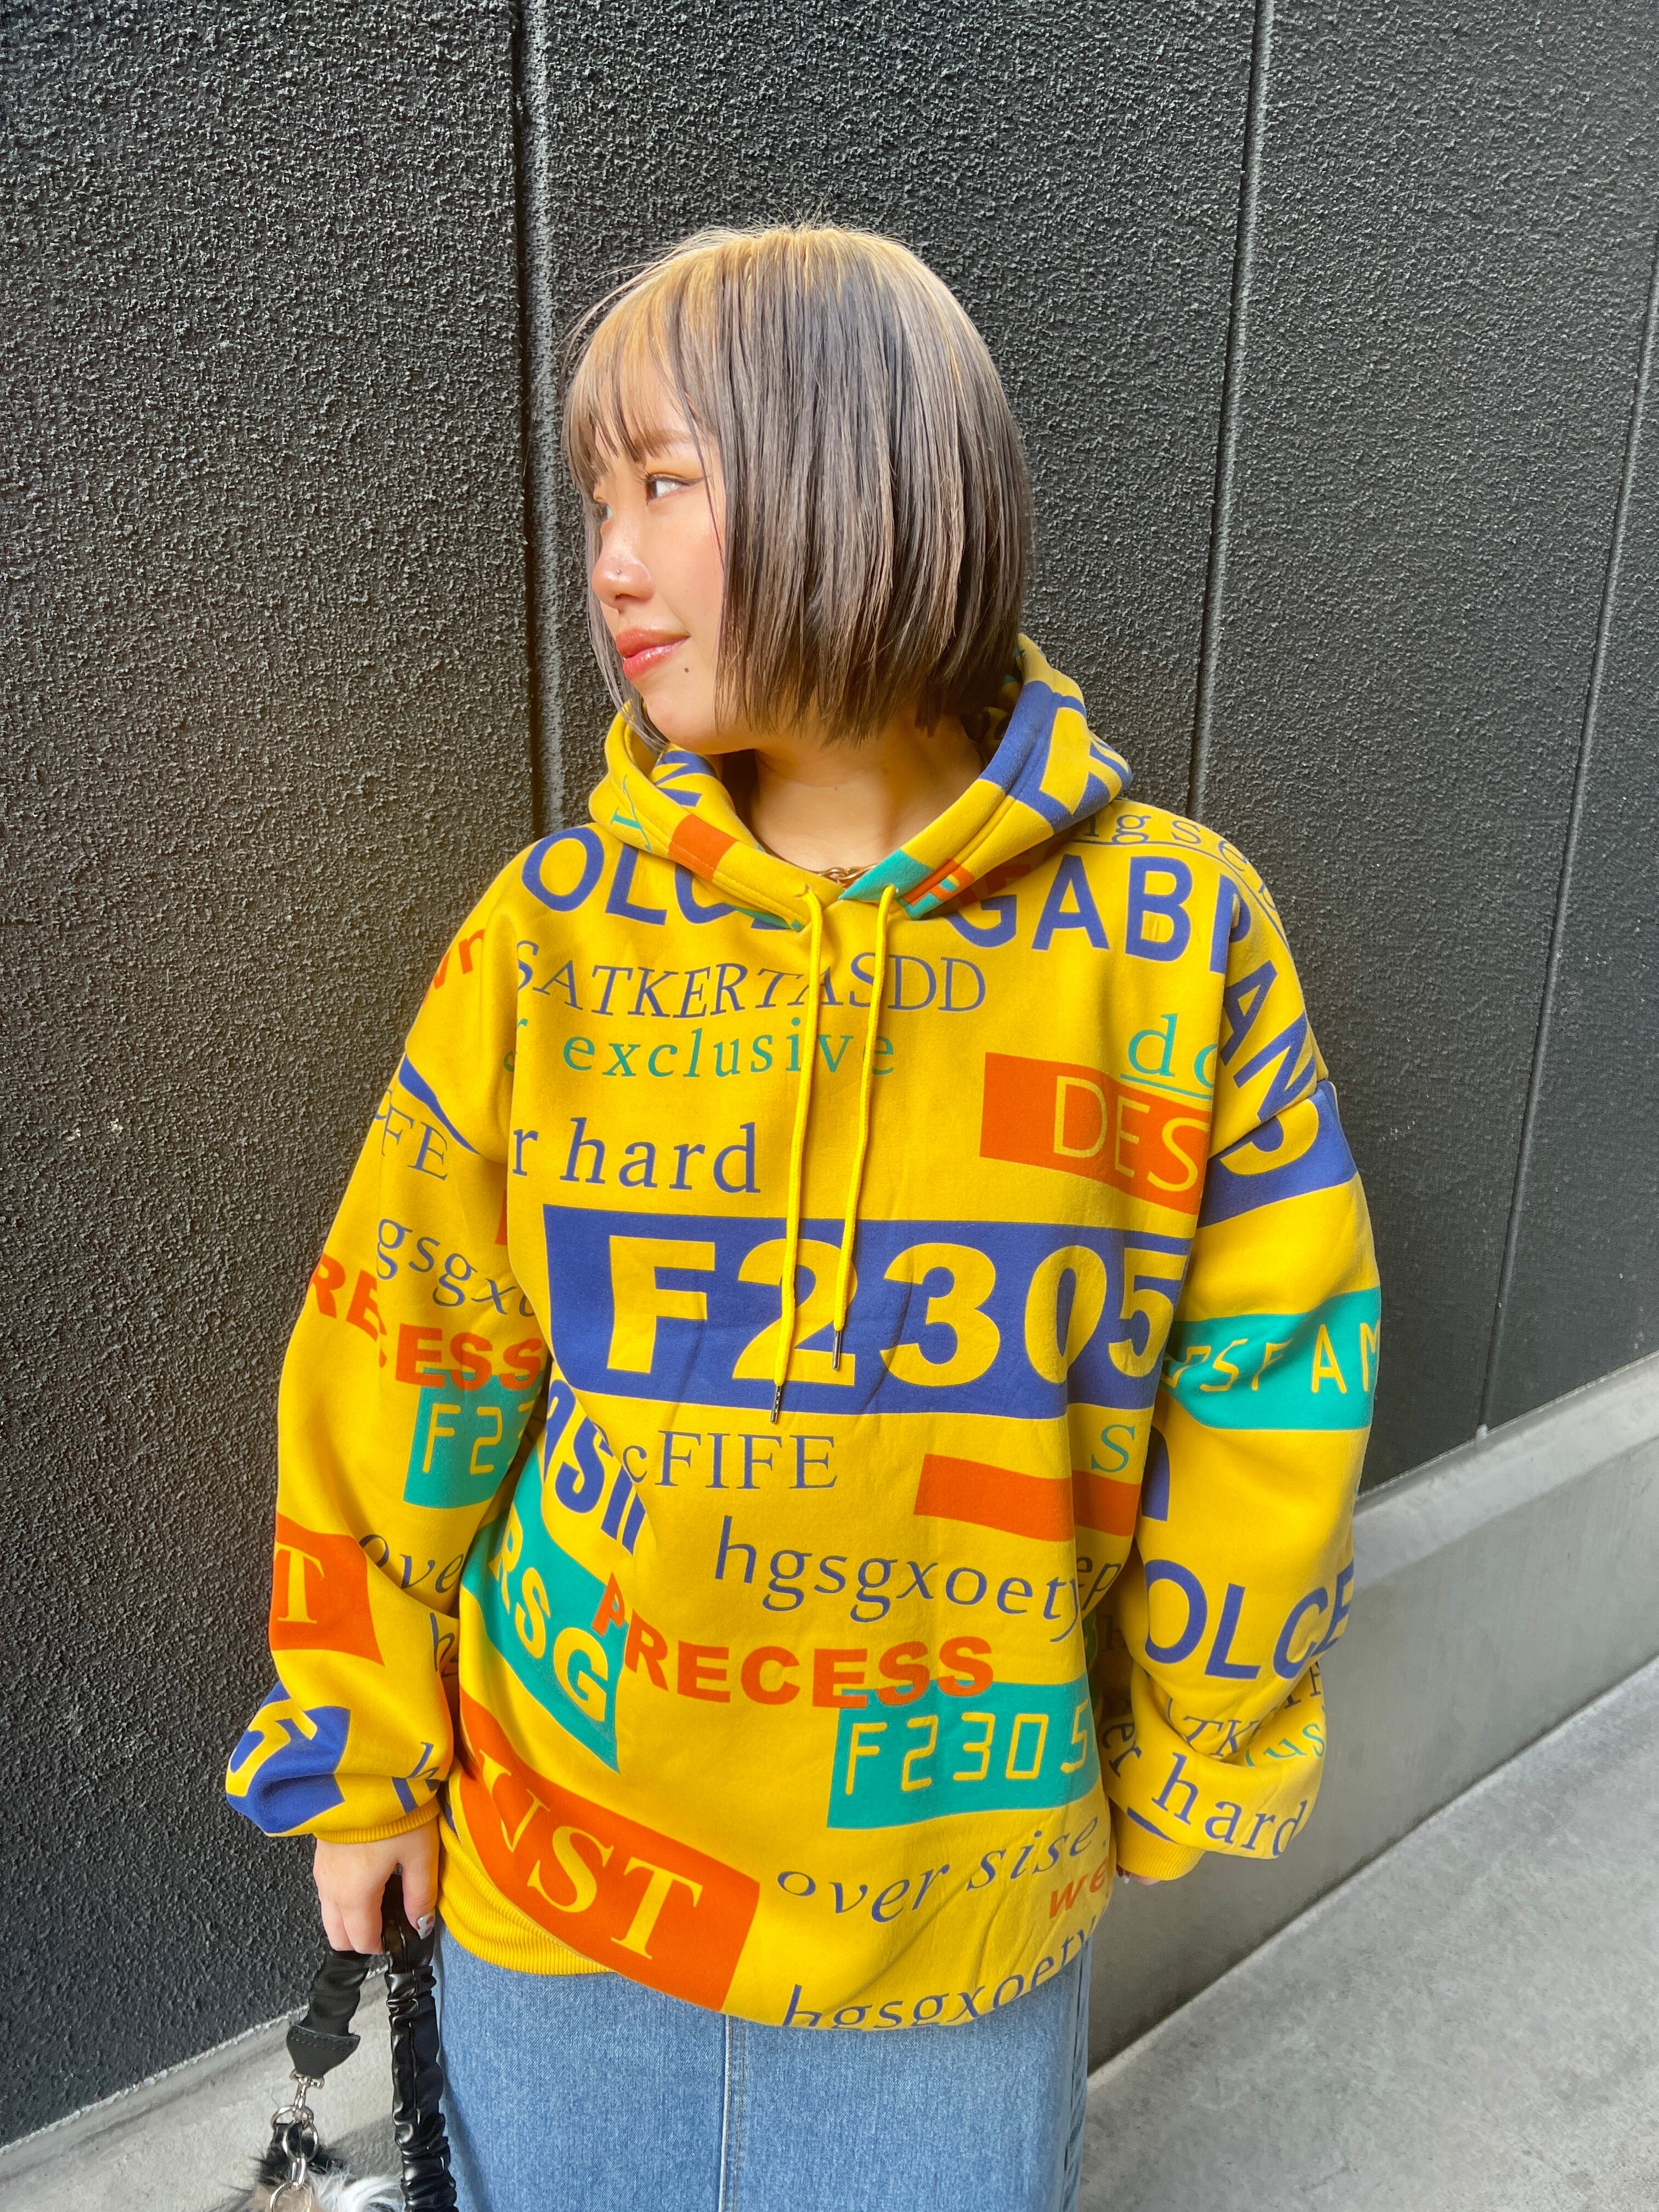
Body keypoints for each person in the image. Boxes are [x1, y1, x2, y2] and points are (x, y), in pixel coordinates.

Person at [226, 223, 1378, 2212]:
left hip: (961, 1902)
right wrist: (364, 1750)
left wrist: (1204, 1737)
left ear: (870, 475)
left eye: (666, 484)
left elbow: (1273, 1369)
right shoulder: (554, 939)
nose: (611, 561)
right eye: (600, 501)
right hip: (564, 1875)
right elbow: (406, 1348)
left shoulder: (1176, 940)